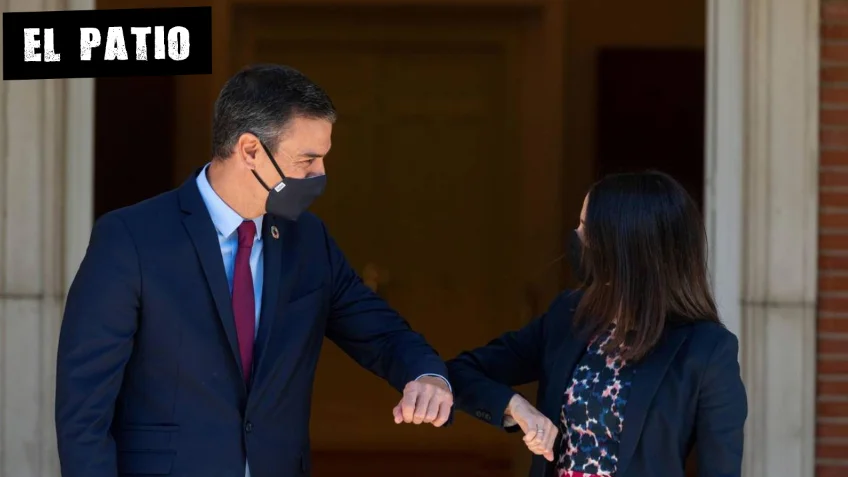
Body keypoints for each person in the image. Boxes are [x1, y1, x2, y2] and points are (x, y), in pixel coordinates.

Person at [55, 64, 453, 477]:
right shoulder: (131, 239)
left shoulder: (309, 240)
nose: (320, 175)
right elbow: (84, 410)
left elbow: (381, 332)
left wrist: (427, 376)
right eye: (308, 160)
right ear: (250, 150)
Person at [447, 171, 747, 477]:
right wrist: (515, 408)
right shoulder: (569, 315)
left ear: (623, 248)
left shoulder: (706, 350)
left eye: (585, 228)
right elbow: (459, 373)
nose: (576, 237)